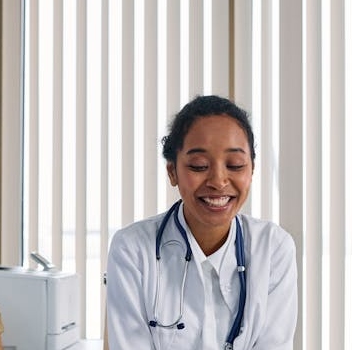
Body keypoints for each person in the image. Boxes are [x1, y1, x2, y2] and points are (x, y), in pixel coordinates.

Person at [106, 95, 298, 349]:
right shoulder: (132, 249)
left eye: (235, 165)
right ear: (172, 172)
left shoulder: (273, 248)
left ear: (251, 170)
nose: (218, 181)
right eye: (199, 166)